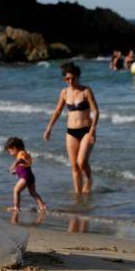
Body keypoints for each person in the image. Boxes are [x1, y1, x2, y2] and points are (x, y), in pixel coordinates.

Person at [44, 62, 99, 194]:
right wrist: (49, 128)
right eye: (67, 79)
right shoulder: (64, 93)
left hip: (86, 131)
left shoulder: (86, 91)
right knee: (74, 166)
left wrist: (92, 131)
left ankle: (89, 180)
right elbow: (57, 111)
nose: (70, 81)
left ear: (78, 76)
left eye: (73, 78)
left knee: (81, 162)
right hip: (71, 132)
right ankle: (77, 194)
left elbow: (96, 111)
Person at [4, 137, 46, 224]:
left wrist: (14, 165)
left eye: (10, 151)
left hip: (26, 177)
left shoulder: (21, 153)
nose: (10, 153)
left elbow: (21, 160)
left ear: (15, 148)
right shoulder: (24, 154)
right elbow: (24, 165)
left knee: (16, 190)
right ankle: (42, 206)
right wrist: (16, 171)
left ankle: (16, 207)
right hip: (30, 176)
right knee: (33, 193)